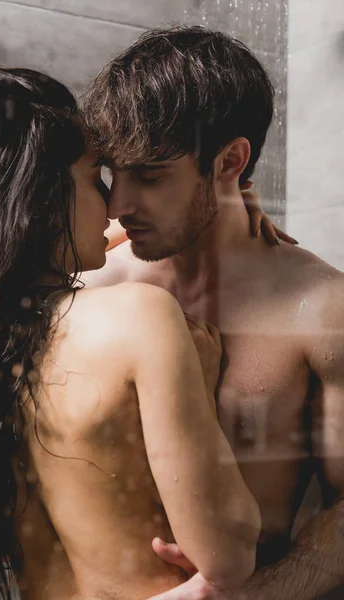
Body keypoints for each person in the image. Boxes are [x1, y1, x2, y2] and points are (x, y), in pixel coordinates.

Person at [0, 66, 263, 600]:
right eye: (94, 177)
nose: (113, 203)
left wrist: (226, 204)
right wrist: (201, 376)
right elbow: (229, 554)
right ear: (37, 195)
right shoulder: (138, 316)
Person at [83, 26, 344, 600]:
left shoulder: (320, 310)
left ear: (231, 161)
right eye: (110, 175)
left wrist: (247, 596)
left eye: (148, 176)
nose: (119, 205)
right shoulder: (93, 281)